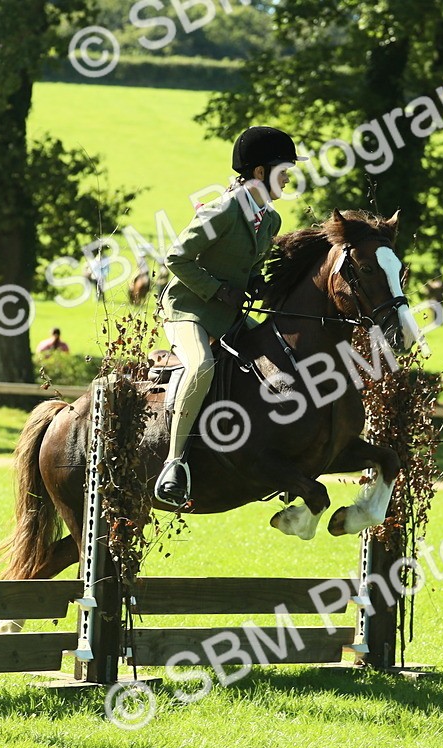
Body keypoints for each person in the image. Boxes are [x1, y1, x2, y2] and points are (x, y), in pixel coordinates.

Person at [153, 125, 299, 504]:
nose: (288, 179)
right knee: (201, 365)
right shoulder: (221, 210)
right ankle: (174, 464)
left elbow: (248, 267)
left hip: (230, 315)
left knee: (281, 363)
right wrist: (218, 290)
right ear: (260, 173)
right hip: (189, 312)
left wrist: (256, 284)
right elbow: (176, 258)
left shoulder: (270, 221)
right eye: (284, 171)